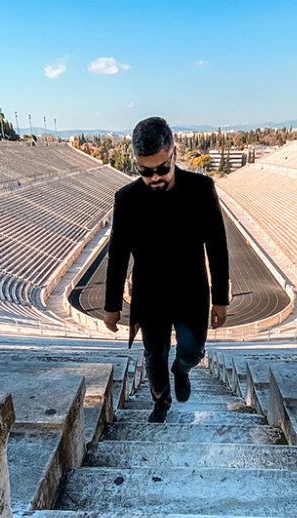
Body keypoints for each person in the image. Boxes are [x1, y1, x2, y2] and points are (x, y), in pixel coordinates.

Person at [102, 116, 229, 423]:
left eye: (161, 169)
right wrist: (111, 307)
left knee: (192, 350)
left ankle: (182, 370)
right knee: (153, 359)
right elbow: (117, 254)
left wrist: (221, 299)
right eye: (145, 171)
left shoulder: (201, 189)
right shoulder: (127, 199)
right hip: (150, 296)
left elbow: (217, 245)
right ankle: (161, 401)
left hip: (191, 292)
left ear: (174, 154)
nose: (155, 177)